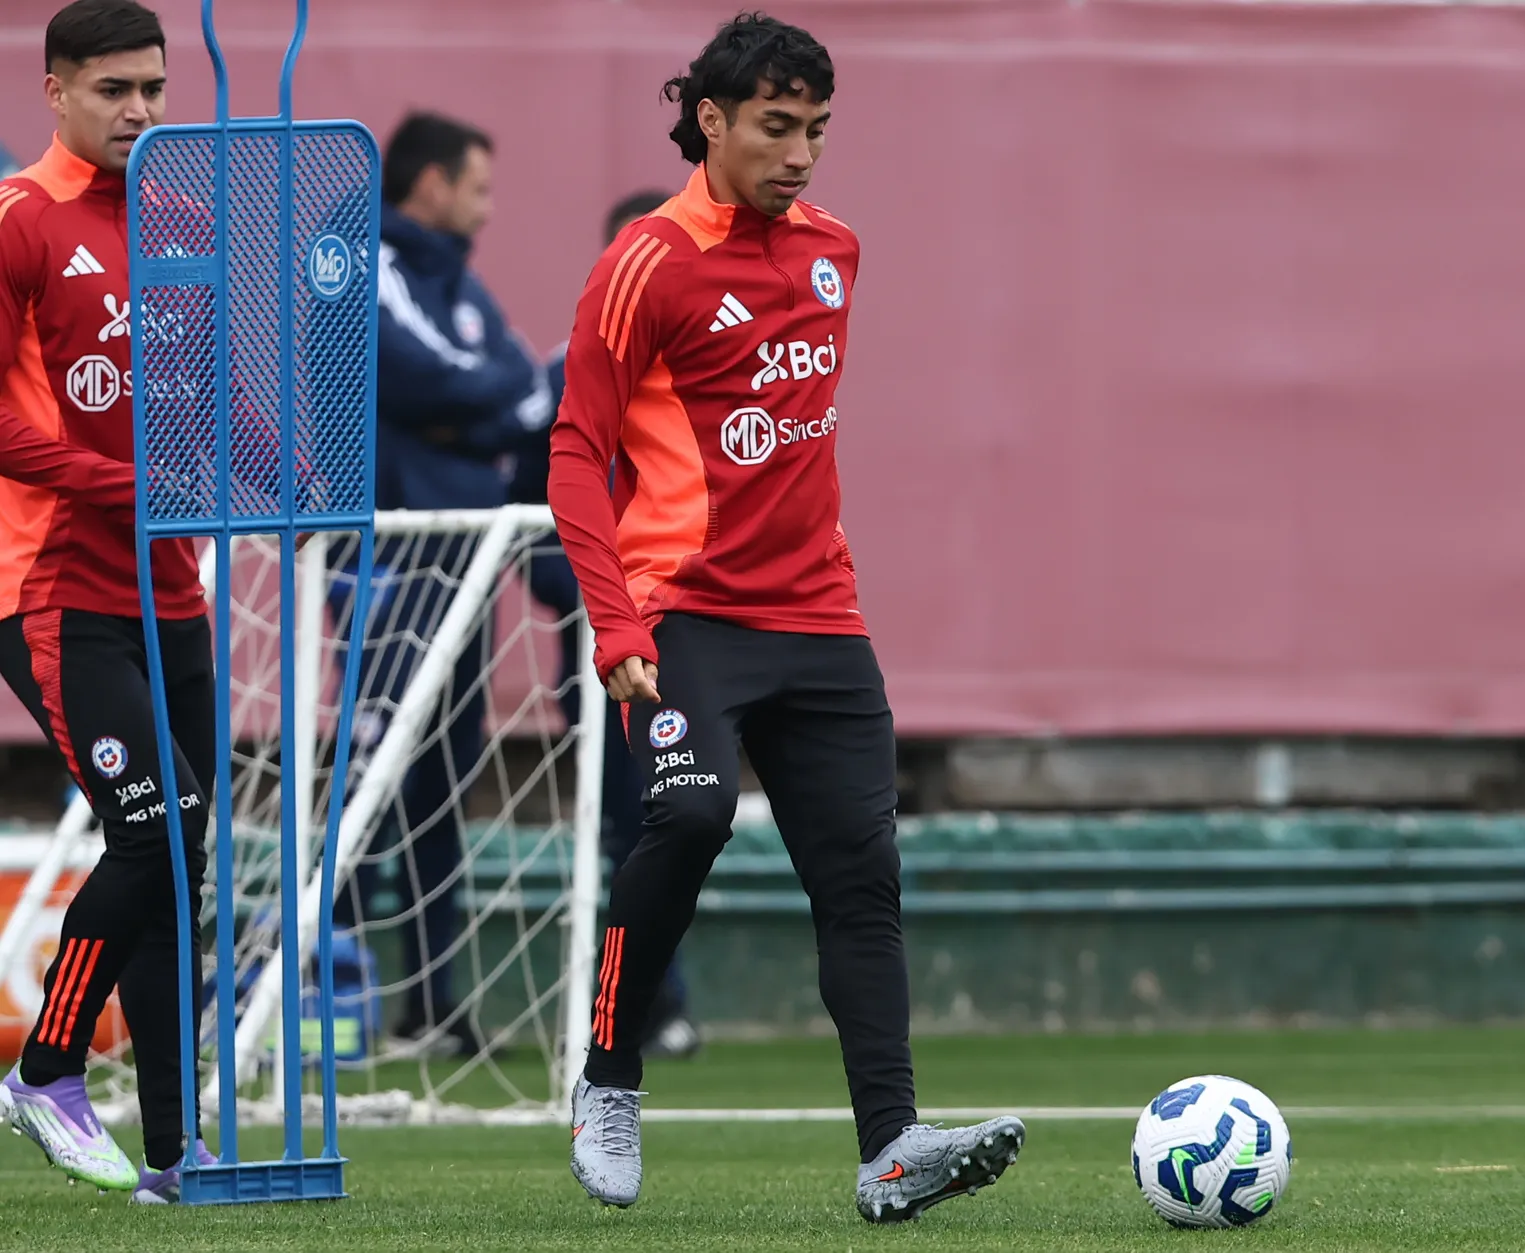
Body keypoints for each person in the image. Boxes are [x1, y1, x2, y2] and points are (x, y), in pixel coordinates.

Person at [548, 12, 1024, 1222]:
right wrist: (615, 629)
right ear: (710, 120)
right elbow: (574, 457)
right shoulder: (644, 262)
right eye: (775, 126)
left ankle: (889, 1146)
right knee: (692, 813)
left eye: (815, 127)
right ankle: (607, 1074)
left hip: (819, 618)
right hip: (685, 615)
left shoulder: (836, 251)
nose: (801, 151)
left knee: (860, 874)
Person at [0, 0, 219, 1203]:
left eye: (154, 89)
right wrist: (117, 481)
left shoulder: (177, 217)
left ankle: (177, 1157)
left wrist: (291, 463)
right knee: (157, 825)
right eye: (113, 91)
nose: (139, 111)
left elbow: (203, 380)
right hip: (49, 587)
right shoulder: (17, 222)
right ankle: (47, 1069)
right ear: (55, 91)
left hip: (168, 585)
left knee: (180, 858)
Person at [331, 111, 550, 1057]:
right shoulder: (360, 260)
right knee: (367, 779)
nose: (487, 208)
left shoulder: (463, 284)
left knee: (443, 785)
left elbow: (514, 389)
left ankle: (432, 1000)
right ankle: (311, 985)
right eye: (477, 186)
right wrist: (469, 412)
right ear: (428, 184)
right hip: (388, 561)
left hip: (468, 565)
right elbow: (425, 377)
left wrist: (468, 413)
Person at [512, 188, 701, 1062]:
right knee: (630, 826)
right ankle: (632, 1011)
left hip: (692, 635)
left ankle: (661, 1003)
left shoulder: (710, 361)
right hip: (601, 647)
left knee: (677, 813)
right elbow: (530, 503)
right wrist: (591, 598)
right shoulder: (559, 375)